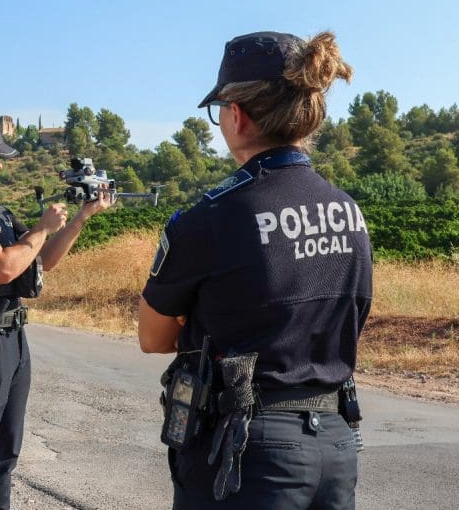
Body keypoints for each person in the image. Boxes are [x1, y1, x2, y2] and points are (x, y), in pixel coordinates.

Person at [138, 31, 371, 509]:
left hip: (248, 451)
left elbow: (153, 337)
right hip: (335, 440)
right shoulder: (348, 210)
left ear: (237, 115)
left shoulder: (211, 218)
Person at [0, 117, 112, 509]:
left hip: (12, 341)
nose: (0, 164)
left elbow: (39, 260)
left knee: (4, 458)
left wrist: (80, 218)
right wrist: (42, 227)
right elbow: (4, 267)